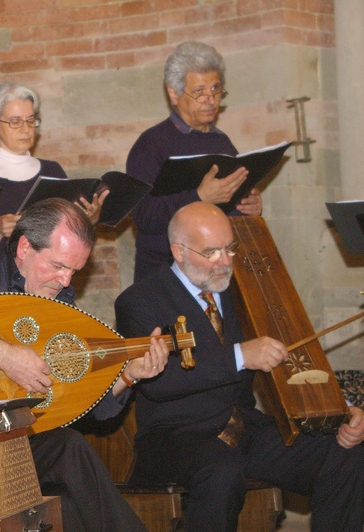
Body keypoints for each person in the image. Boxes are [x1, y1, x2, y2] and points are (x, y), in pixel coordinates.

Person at [0, 198, 169, 532]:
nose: (65, 280)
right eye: (58, 266)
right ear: (23, 247)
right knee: (69, 447)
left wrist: (128, 377)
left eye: (74, 271)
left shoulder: (61, 306)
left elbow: (94, 410)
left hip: (29, 448)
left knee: (69, 502)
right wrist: (8, 357)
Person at [114, 201, 364, 531]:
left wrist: (340, 411)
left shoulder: (243, 291)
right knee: (220, 471)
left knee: (344, 450)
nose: (225, 262)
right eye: (212, 252)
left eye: (230, 249)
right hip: (176, 437)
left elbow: (291, 354)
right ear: (179, 251)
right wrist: (241, 356)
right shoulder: (140, 300)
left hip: (245, 431)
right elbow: (160, 383)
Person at [126, 41, 262, 282]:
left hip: (221, 273)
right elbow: (144, 217)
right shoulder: (151, 144)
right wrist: (199, 198)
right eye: (199, 92)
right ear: (174, 94)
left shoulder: (223, 144)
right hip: (165, 277)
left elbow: (228, 212)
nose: (210, 100)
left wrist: (250, 207)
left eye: (216, 89)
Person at [0, 82, 106, 263]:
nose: (26, 129)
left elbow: (69, 243)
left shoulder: (52, 171)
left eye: (31, 120)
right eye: (15, 121)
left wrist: (89, 222)